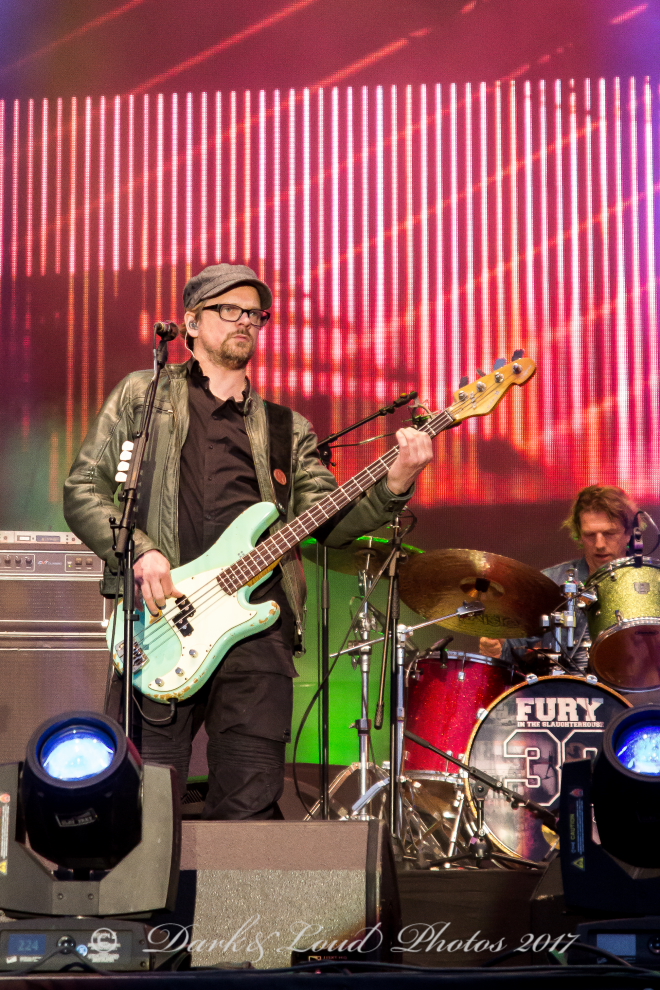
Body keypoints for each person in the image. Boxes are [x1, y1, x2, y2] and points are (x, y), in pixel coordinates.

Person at [64, 263, 433, 820]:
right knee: (144, 803)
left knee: (249, 809)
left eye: (255, 314)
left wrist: (395, 483)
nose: (245, 321)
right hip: (162, 620)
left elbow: (329, 523)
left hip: (257, 632)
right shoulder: (144, 395)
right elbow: (84, 489)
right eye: (229, 309)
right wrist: (142, 550)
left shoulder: (288, 428)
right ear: (191, 322)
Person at [479, 484, 638, 671]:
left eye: (609, 533)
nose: (599, 544)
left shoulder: (652, 584)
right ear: (579, 535)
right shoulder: (549, 583)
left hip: (635, 687)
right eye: (590, 535)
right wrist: (496, 651)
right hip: (564, 688)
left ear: (629, 533)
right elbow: (511, 655)